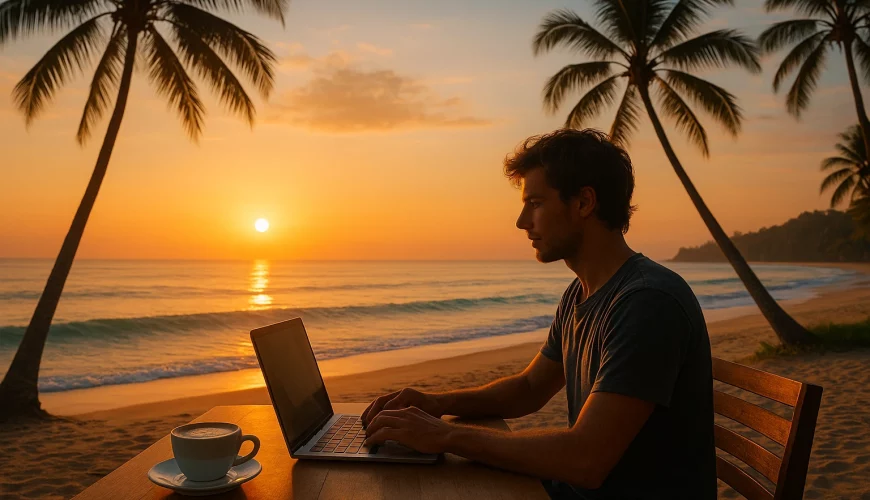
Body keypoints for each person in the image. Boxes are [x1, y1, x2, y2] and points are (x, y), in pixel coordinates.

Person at [361, 129, 716, 499]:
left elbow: (586, 459)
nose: (521, 221)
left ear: (584, 203)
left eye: (535, 203)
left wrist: (446, 436)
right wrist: (438, 403)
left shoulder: (647, 303)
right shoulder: (582, 293)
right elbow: (529, 388)